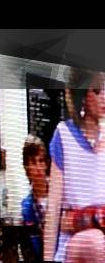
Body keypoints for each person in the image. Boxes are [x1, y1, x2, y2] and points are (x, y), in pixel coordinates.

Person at [43, 69, 105, 262]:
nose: (104, 96)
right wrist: (47, 259)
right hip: (76, 240)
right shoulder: (64, 135)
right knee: (95, 242)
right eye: (97, 90)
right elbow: (53, 207)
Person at [21, 135, 49, 260]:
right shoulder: (25, 207)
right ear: (26, 167)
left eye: (41, 161)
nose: (38, 167)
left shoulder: (60, 197)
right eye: (33, 162)